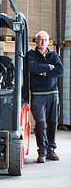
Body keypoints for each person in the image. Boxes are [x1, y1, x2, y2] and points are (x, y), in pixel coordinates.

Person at [27, 31, 64, 163]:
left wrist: (44, 73)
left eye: (45, 40)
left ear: (48, 41)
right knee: (40, 124)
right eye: (41, 40)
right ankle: (42, 152)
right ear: (36, 41)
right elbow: (32, 67)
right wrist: (49, 67)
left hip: (53, 93)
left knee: (53, 122)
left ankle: (51, 150)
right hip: (38, 94)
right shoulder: (31, 54)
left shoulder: (53, 54)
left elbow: (60, 70)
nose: (43, 42)